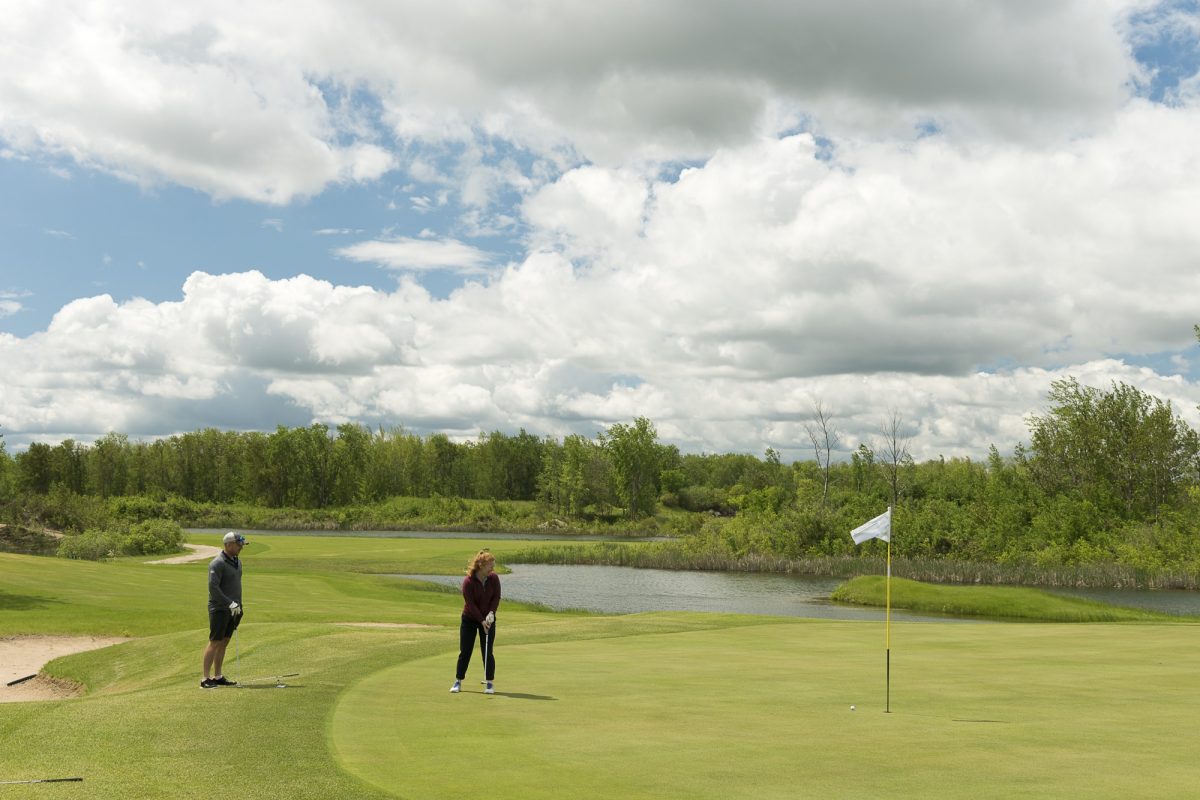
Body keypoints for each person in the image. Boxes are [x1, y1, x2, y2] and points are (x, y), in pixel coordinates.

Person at [450, 549, 500, 695]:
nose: (493, 568)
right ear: (481, 565)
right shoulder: (468, 582)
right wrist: (481, 620)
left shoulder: (494, 578)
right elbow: (470, 604)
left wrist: (491, 614)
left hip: (489, 619)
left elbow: (496, 598)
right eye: (490, 565)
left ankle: (489, 683)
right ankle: (458, 681)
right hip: (470, 619)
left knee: (487, 652)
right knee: (465, 651)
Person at [201, 531, 247, 688]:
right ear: (228, 545)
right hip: (219, 608)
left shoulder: (237, 562)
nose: (241, 547)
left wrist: (238, 605)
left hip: (234, 608)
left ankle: (217, 676)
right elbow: (213, 588)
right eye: (238, 544)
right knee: (215, 642)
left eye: (242, 545)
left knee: (225, 642)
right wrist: (229, 603)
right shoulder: (217, 563)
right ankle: (205, 679)